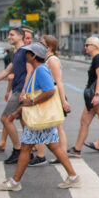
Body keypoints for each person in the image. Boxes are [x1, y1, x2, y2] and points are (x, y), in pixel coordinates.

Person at [0, 42, 81, 191]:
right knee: (54, 146)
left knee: (26, 148)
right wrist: (17, 112)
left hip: (39, 118)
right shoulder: (39, 69)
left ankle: (15, 182)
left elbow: (49, 91)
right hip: (42, 118)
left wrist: (33, 101)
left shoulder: (41, 70)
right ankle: (73, 177)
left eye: (28, 53)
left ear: (34, 56)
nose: (25, 55)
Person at [0, 28, 27, 165]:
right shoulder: (17, 53)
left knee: (6, 118)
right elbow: (7, 71)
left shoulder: (25, 52)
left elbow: (31, 72)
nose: (8, 37)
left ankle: (18, 149)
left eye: (12, 35)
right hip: (17, 90)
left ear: (20, 36)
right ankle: (27, 150)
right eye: (9, 35)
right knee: (27, 123)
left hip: (20, 91)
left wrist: (23, 91)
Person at [40, 35, 71, 164]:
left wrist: (63, 101)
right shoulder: (46, 59)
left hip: (54, 95)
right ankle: (59, 155)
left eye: (42, 44)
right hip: (49, 94)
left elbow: (58, 81)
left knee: (57, 127)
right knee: (53, 126)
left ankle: (61, 154)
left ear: (49, 47)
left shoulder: (52, 60)